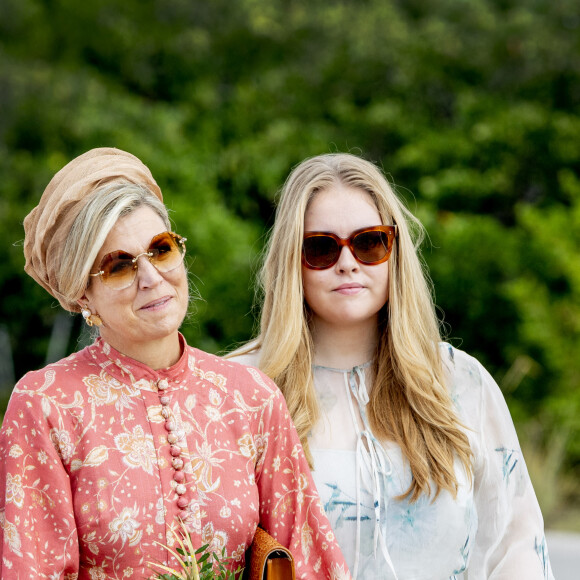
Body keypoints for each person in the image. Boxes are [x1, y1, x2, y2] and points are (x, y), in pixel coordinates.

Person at [0, 147, 351, 579]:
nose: (151, 278)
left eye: (160, 249)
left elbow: (309, 561)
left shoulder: (250, 397)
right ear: (81, 295)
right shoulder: (47, 403)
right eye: (118, 266)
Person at [230, 153, 554, 580]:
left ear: (394, 249)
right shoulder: (237, 389)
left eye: (369, 243)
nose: (348, 262)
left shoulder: (461, 381)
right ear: (292, 260)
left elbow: (515, 545)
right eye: (321, 248)